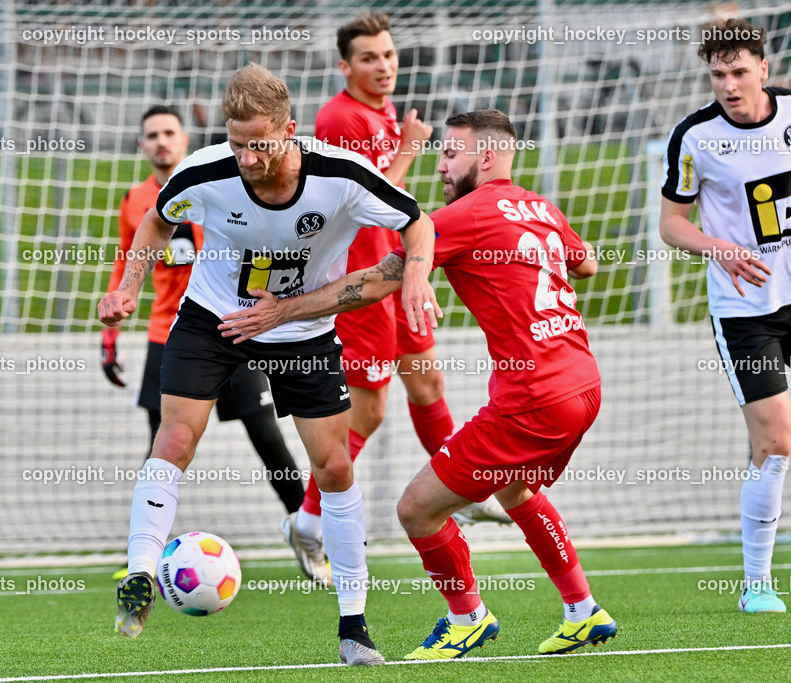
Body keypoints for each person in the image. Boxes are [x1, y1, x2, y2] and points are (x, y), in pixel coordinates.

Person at [221, 110, 618, 659]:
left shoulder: (461, 216)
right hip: (583, 384)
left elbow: (368, 285)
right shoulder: (541, 207)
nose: (442, 168)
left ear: (485, 156)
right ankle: (582, 609)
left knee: (416, 510)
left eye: (451, 154)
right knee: (515, 487)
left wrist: (282, 311)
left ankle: (467, 617)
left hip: (534, 398)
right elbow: (588, 264)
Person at [99, 63, 440, 666]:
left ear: (289, 130)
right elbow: (157, 219)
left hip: (304, 328)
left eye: (259, 144)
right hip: (215, 319)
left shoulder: (342, 177)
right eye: (236, 143)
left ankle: (355, 629)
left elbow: (418, 223)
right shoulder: (204, 171)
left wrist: (414, 273)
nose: (247, 158)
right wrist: (129, 285)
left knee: (333, 467)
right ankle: (140, 576)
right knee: (174, 438)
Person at [281, 11, 509, 588]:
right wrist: (409, 149)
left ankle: (460, 489)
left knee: (428, 383)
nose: (383, 66)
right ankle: (307, 521)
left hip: (398, 269)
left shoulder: (381, 113)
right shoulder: (339, 116)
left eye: (388, 55)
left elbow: (395, 199)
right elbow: (354, 197)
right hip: (360, 280)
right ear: (345, 66)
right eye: (369, 58)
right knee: (372, 408)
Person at [102, 104, 305, 520]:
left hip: (231, 328)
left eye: (168, 134)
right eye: (152, 135)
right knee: (161, 444)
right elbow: (127, 260)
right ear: (142, 146)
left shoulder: (219, 187)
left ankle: (309, 532)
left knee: (267, 436)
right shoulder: (136, 201)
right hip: (169, 334)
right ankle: (145, 550)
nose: (161, 142)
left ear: (185, 141)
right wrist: (111, 332)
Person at [659, 18, 788, 613]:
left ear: (764, 68)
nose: (730, 86)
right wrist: (722, 248)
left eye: (740, 72)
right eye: (718, 75)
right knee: (777, 441)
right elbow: (671, 224)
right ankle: (757, 582)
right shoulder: (695, 136)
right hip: (746, 311)